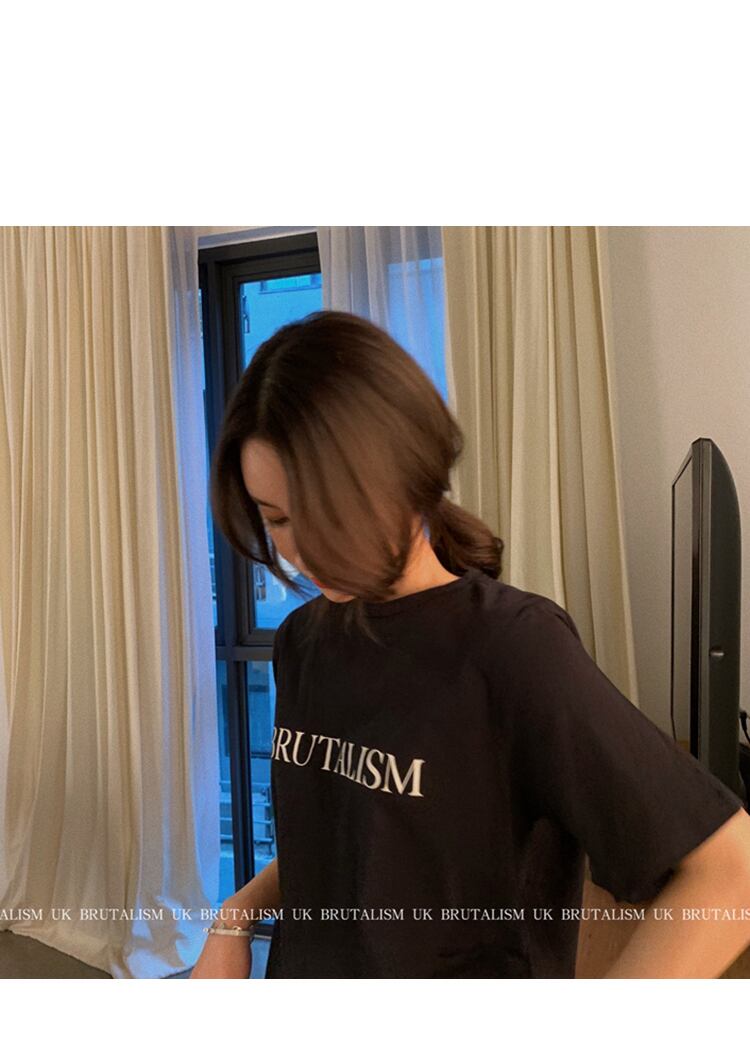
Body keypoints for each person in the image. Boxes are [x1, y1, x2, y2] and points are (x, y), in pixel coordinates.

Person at [191, 310, 750, 979]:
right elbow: (347, 833)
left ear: (406, 476)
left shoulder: (513, 649)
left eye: (328, 515)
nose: (303, 551)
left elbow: (730, 872)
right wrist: (237, 914)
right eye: (277, 519)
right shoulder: (303, 641)